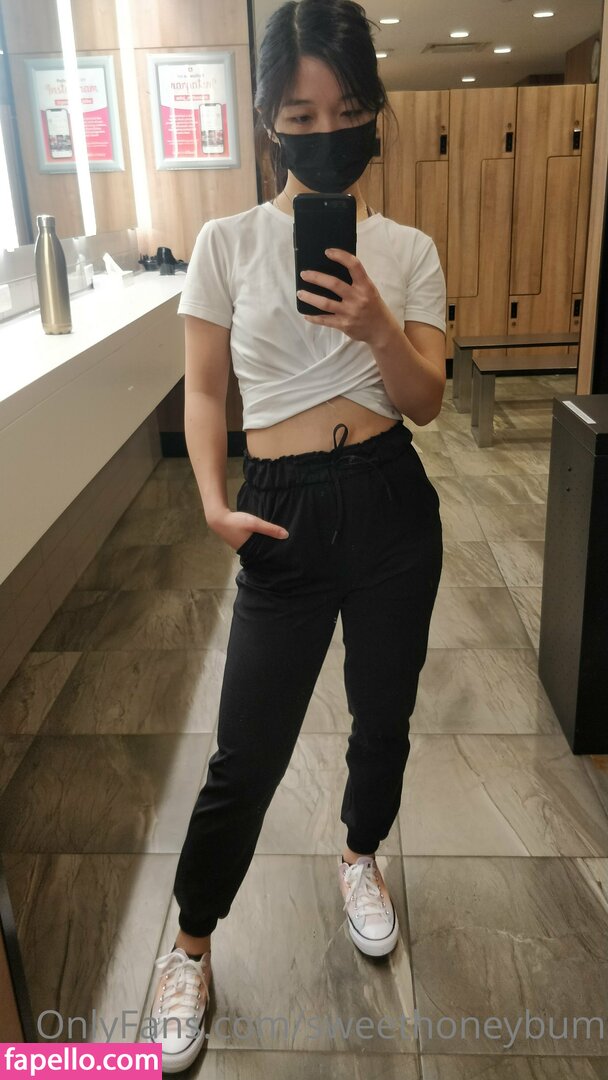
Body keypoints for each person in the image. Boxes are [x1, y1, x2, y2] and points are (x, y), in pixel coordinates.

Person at [143, 0, 446, 1071]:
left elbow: (425, 402)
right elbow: (203, 389)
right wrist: (212, 502)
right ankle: (190, 944)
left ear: (373, 112)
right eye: (301, 114)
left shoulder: (407, 250)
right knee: (247, 752)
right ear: (269, 119)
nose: (325, 131)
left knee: (384, 716)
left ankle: (359, 855)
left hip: (391, 504)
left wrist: (375, 325)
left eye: (346, 109)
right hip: (279, 506)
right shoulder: (225, 244)